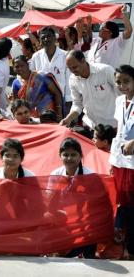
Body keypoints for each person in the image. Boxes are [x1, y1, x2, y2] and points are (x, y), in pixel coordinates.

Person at [49, 137, 96, 259]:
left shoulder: (90, 176)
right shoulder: (55, 175)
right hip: (61, 217)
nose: (69, 158)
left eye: (73, 155)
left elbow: (95, 205)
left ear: (80, 156)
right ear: (60, 155)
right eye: (66, 155)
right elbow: (49, 201)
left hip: (84, 220)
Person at [109, 64, 134, 260]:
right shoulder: (119, 101)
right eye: (118, 82)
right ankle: (125, 245)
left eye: (126, 81)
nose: (122, 85)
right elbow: (119, 130)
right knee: (122, 200)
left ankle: (131, 247)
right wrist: (113, 159)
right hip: (120, 159)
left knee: (132, 202)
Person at [60, 50, 118, 131]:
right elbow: (77, 104)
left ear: (83, 60)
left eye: (74, 67)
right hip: (90, 126)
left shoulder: (105, 71)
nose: (72, 71)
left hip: (112, 126)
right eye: (69, 69)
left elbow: (122, 95)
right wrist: (68, 119)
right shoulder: (73, 79)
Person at [29, 26, 71, 112]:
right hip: (42, 100)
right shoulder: (36, 57)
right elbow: (32, 78)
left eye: (48, 36)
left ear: (55, 38)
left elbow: (69, 79)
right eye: (43, 37)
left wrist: (68, 100)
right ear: (40, 41)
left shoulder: (65, 56)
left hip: (61, 99)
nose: (46, 39)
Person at [12, 55, 63, 121]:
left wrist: (59, 114)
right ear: (13, 68)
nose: (20, 69)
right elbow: (16, 104)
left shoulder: (41, 77)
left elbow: (57, 93)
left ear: (27, 65)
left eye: (22, 65)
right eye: (17, 67)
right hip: (29, 119)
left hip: (48, 116)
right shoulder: (16, 83)